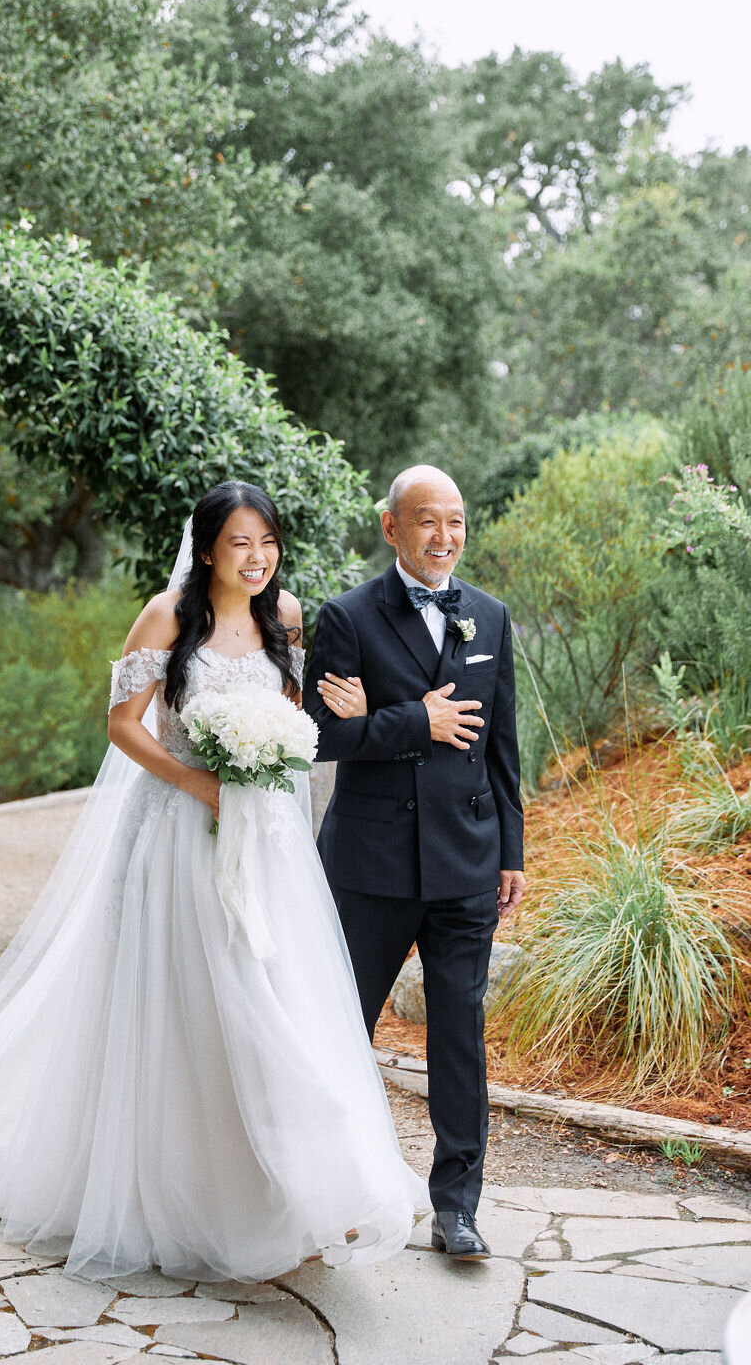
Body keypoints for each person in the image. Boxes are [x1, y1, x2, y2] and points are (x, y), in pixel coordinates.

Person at [0, 481, 426, 1282]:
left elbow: (298, 721)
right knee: (192, 999)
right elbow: (121, 724)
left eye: (267, 543)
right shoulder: (166, 616)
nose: (256, 559)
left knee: (276, 996)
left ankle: (292, 1184)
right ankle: (187, 1189)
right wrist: (200, 784)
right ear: (208, 547)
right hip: (177, 835)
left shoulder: (286, 616)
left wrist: (335, 714)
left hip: (264, 841)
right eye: (238, 544)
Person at [305, 464, 525, 1262]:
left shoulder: (491, 618)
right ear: (393, 528)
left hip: (467, 862)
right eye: (428, 521)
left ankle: (457, 1207)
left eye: (457, 521)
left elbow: (503, 744)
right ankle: (330, 1190)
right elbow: (320, 737)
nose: (446, 537)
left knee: (459, 1038)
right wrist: (413, 721)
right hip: (370, 865)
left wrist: (513, 850)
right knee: (342, 1031)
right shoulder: (349, 617)